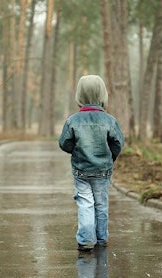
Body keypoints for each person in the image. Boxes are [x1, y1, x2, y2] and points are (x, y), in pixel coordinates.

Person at [58, 75, 124, 252]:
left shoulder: (72, 120)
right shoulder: (110, 120)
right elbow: (118, 143)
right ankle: (101, 238)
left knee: (85, 202)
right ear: (103, 94)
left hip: (82, 170)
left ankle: (86, 239)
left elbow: (64, 143)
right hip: (103, 170)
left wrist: (77, 151)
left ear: (79, 95)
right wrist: (109, 157)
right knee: (101, 204)